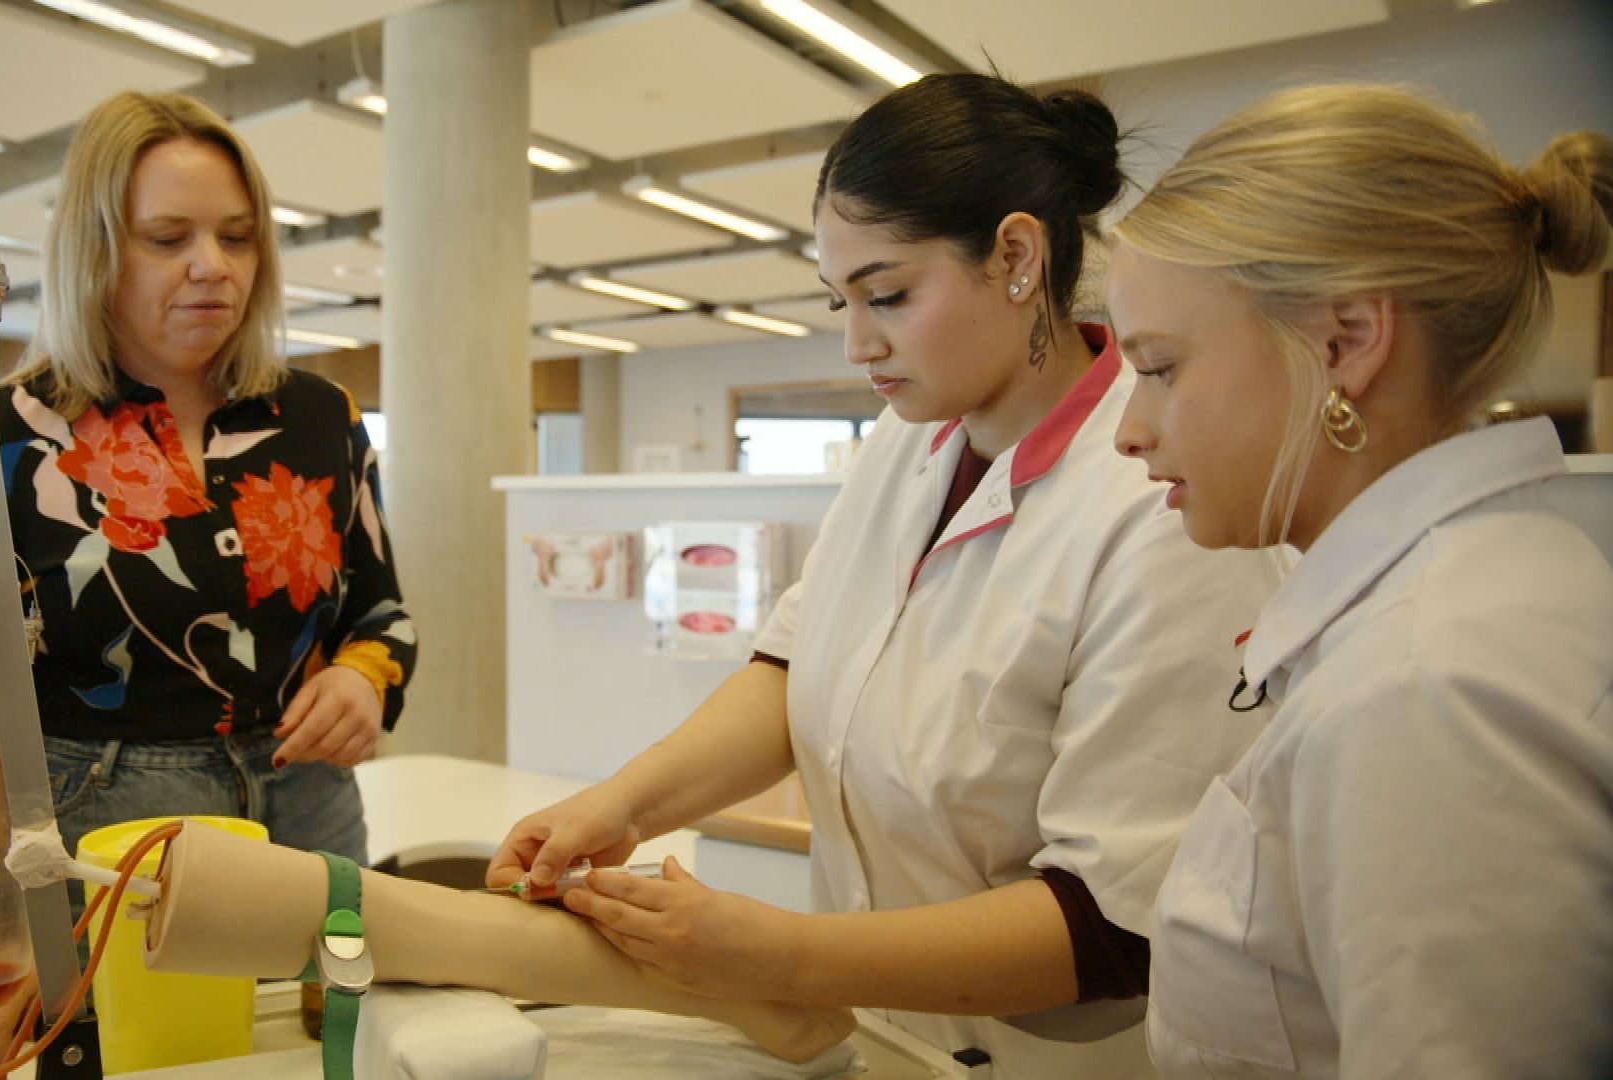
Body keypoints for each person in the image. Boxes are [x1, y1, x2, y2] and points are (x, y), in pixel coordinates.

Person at [489, 74, 1277, 1079]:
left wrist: (770, 954)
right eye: (841, 301)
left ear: (1018, 257)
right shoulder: (904, 450)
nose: (858, 344)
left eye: (889, 296)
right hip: (879, 1038)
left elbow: (1113, 924)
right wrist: (622, 807)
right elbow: (791, 669)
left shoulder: (1161, 506)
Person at [1107, 85, 1613, 1078]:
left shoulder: (1430, 688)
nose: (1129, 427)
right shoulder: (1467, 600)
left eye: (1159, 367)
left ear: (1344, 342)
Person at [0, 90, 417, 870]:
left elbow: (380, 611)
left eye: (238, 237)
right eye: (166, 238)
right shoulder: (6, 436)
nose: (213, 267)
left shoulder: (321, 417)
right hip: (105, 817)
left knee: (331, 994)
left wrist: (362, 681)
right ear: (92, 251)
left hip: (309, 799)